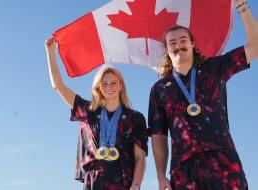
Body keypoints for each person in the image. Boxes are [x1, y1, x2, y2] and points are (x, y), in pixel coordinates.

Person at [148, 0, 258, 189]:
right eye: (172, 42)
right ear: (167, 49)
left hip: (223, 161)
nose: (178, 45)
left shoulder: (214, 69)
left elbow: (255, 46)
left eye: (183, 40)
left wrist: (242, 7)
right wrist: (160, 174)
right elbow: (158, 135)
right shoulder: (159, 89)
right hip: (184, 170)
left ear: (192, 44)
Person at [45, 37, 148, 190]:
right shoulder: (88, 112)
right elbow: (58, 86)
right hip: (94, 183)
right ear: (98, 87)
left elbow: (140, 157)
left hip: (124, 183)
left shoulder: (135, 118)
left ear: (121, 85)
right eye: (104, 83)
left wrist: (136, 185)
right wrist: (50, 53)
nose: (109, 87)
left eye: (114, 82)